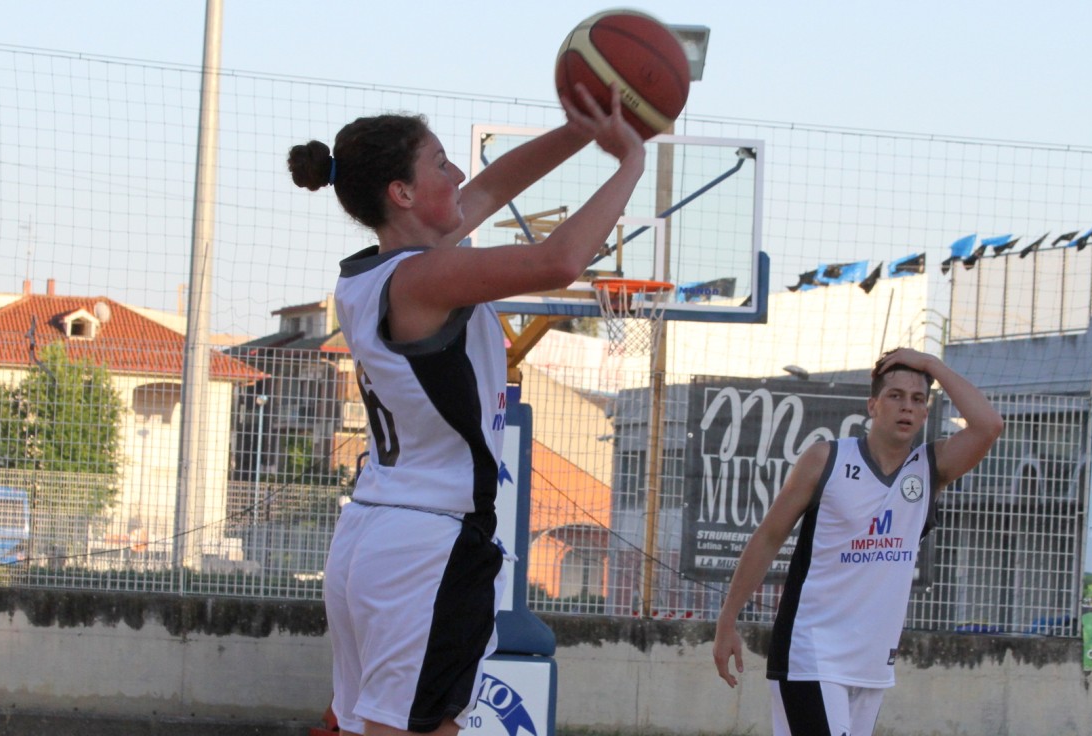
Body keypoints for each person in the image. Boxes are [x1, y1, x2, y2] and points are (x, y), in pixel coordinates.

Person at [288, 84, 644, 736]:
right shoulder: (423, 279)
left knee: (373, 725)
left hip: (376, 531)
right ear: (402, 193)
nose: (458, 175)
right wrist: (632, 162)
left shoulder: (371, 275)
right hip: (427, 545)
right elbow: (560, 260)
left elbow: (496, 184)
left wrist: (580, 129)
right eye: (441, 163)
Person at [712, 348, 1004, 736]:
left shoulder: (930, 468)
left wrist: (930, 364)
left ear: (925, 413)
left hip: (871, 665)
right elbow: (768, 537)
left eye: (918, 399)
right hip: (811, 653)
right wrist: (727, 619)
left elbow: (989, 425)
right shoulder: (826, 459)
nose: (907, 406)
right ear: (873, 405)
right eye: (895, 395)